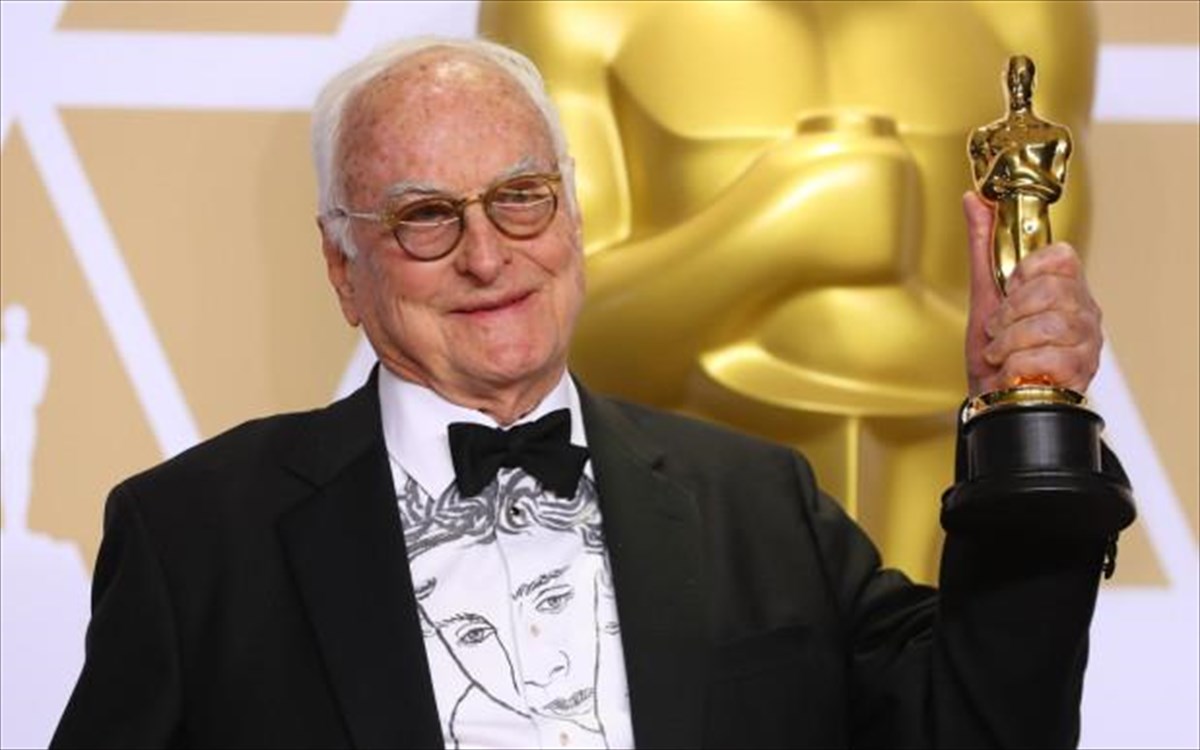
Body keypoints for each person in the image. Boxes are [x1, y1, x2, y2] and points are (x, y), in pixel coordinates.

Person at [53, 36, 1124, 748]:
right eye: (425, 217)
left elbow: (978, 727)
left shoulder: (759, 503)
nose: (487, 256)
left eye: (520, 197)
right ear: (343, 267)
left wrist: (1024, 418)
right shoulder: (195, 539)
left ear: (570, 217)